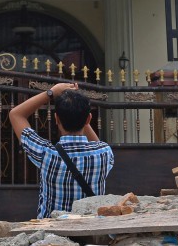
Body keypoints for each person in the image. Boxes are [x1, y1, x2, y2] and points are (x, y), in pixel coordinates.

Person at [10, 82, 114, 219]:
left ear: (56, 119)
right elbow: (95, 142)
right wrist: (81, 115)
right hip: (90, 230)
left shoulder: (46, 153)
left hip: (53, 232)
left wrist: (50, 93)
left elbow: (16, 114)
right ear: (88, 119)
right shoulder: (104, 153)